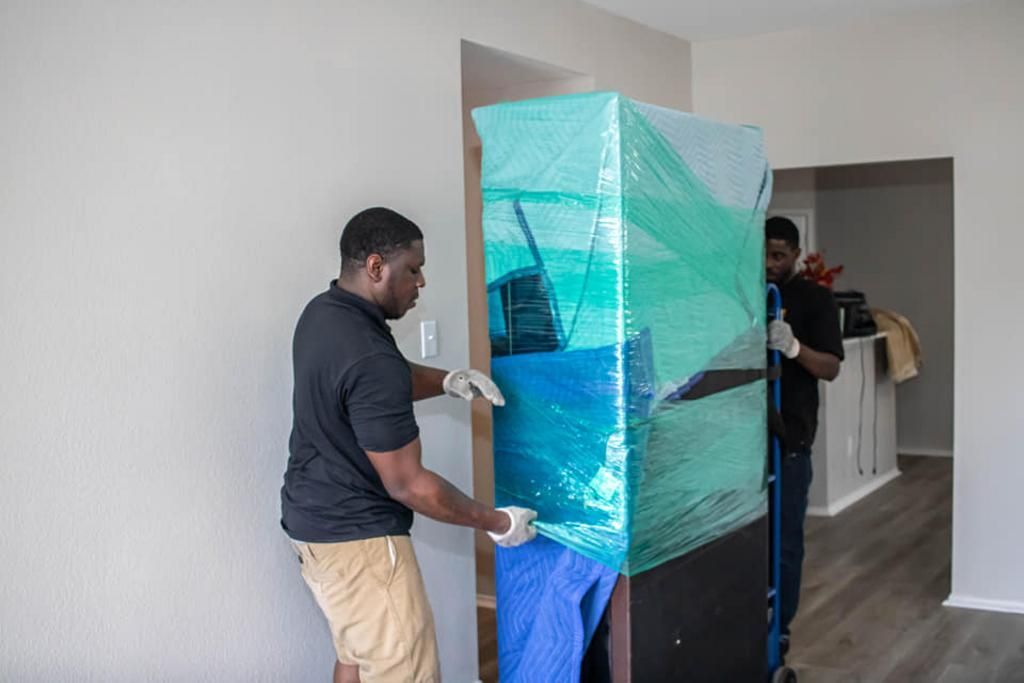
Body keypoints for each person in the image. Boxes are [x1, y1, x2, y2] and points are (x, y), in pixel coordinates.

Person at [281, 207, 538, 683]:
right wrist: (498, 522)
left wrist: (450, 380)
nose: (421, 281)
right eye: (413, 269)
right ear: (377, 267)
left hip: (313, 527)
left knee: (355, 655)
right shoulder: (368, 354)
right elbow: (408, 484)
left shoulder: (324, 313)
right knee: (405, 671)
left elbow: (377, 382)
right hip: (360, 544)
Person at [765, 216, 844, 656]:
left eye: (779, 255)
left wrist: (794, 349)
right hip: (744, 439)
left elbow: (830, 367)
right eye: (763, 253)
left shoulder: (814, 299)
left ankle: (782, 627)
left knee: (785, 542)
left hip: (790, 438)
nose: (769, 263)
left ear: (796, 253)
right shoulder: (744, 293)